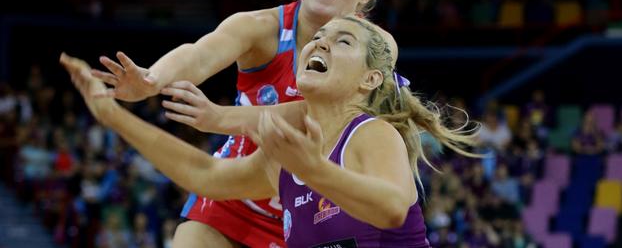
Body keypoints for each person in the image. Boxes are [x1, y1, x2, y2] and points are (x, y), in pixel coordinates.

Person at [90, 0, 396, 248]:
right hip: (232, 196)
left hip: (313, 214)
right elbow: (199, 53)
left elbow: (314, 117)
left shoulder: (376, 50)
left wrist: (222, 118)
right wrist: (151, 79)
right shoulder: (260, 28)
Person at [61, 15, 479, 247]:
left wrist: (315, 170)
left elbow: (390, 208)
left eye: (343, 41)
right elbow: (204, 176)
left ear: (369, 80)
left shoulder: (371, 133)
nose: (320, 43)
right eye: (318, 37)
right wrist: (113, 117)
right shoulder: (286, 151)